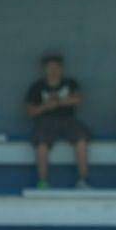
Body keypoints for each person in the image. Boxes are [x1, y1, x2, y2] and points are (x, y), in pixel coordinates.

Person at [25, 53, 91, 189]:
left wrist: (59, 102)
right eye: (50, 67)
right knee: (41, 143)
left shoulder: (70, 83)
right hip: (45, 121)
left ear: (62, 69)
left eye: (56, 67)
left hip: (68, 120)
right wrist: (45, 106)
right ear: (44, 69)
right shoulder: (37, 87)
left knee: (82, 139)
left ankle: (83, 180)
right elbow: (30, 111)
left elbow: (78, 99)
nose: (53, 71)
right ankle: (43, 182)